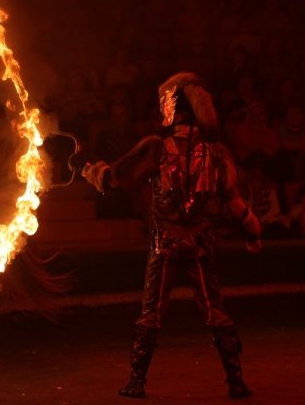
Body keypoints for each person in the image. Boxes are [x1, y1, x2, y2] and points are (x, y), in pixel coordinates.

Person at [76, 73, 263, 399]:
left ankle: (137, 382)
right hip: (200, 244)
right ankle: (236, 381)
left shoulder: (156, 148)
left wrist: (87, 169)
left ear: (171, 108)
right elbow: (234, 201)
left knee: (152, 313)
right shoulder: (216, 153)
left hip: (166, 244)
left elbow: (116, 178)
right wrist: (252, 231)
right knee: (214, 310)